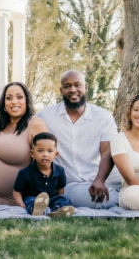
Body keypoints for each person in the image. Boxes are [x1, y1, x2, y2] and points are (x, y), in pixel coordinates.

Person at [38, 70, 121, 209]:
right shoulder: (46, 116)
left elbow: (107, 151)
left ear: (85, 87)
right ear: (61, 90)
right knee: (110, 200)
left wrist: (100, 180)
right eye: (67, 86)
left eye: (77, 85)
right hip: (71, 183)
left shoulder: (103, 117)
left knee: (135, 180)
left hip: (103, 174)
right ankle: (134, 199)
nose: (72, 90)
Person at [13, 132, 75, 217]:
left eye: (49, 151)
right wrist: (21, 204)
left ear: (55, 154)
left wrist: (60, 200)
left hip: (51, 199)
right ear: (32, 153)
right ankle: (37, 210)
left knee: (65, 198)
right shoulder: (25, 172)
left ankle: (57, 210)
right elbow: (16, 191)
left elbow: (60, 190)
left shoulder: (60, 171)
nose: (45, 154)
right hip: (33, 198)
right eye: (40, 151)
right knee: (30, 201)